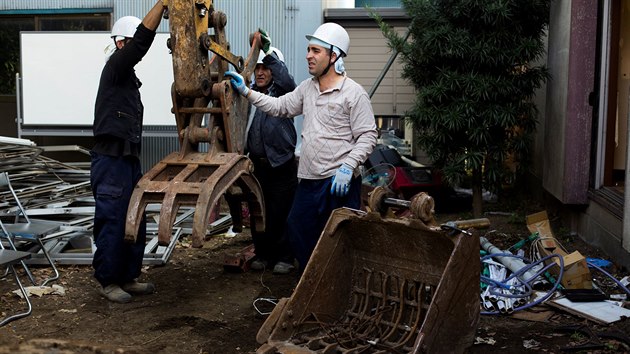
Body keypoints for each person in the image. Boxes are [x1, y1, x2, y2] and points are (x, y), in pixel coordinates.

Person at [225, 23, 377, 273]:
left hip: (338, 182)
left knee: (341, 238)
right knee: (297, 228)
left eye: (316, 51)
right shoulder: (308, 89)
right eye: (308, 50)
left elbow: (368, 135)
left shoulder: (353, 93)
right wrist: (246, 92)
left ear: (334, 55)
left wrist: (349, 166)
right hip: (308, 180)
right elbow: (279, 106)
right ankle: (313, 281)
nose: (308, 55)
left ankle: (339, 285)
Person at [90, 1, 166, 303]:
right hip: (111, 161)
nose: (135, 48)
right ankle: (108, 281)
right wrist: (161, 5)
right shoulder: (115, 66)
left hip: (128, 160)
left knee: (136, 216)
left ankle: (128, 276)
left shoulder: (128, 79)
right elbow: (140, 44)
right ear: (121, 42)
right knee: (112, 219)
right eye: (131, 42)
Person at [245, 30, 298, 274]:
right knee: (259, 211)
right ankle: (263, 254)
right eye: (258, 68)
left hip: (281, 165)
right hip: (257, 166)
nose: (261, 72)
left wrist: (268, 52)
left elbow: (287, 80)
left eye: (266, 68)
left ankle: (285, 257)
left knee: (281, 212)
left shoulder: (285, 93)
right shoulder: (249, 95)